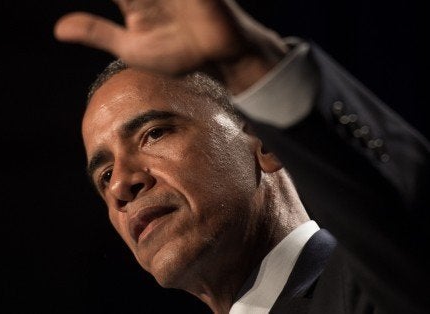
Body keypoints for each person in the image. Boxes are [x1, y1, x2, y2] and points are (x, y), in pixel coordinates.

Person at [53, 1, 430, 313]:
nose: (120, 184)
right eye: (103, 176)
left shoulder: (368, 284)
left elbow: (407, 220)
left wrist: (251, 67)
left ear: (264, 143)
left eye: (154, 133)